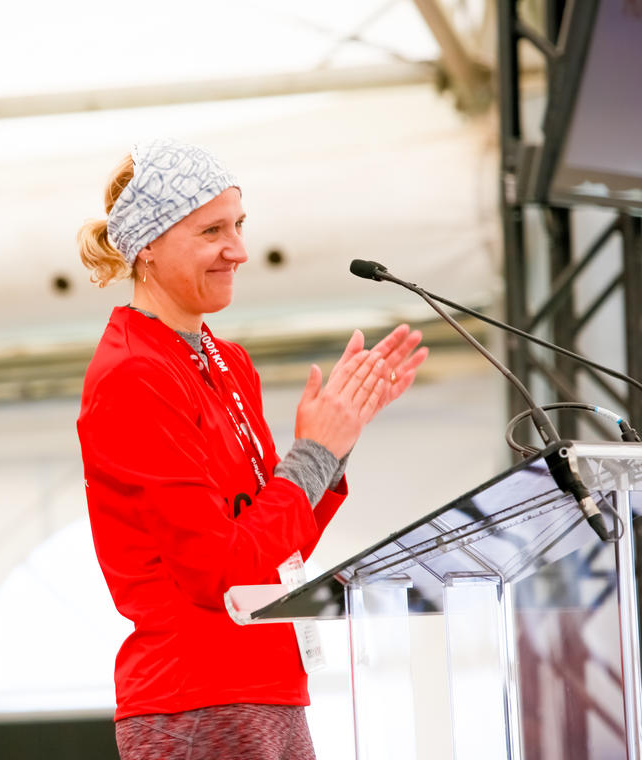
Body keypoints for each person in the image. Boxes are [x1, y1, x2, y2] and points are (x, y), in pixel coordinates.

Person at [75, 138, 427, 760]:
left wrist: (334, 444)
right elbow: (221, 573)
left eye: (238, 225)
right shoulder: (135, 374)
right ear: (148, 246)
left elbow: (271, 546)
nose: (238, 250)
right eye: (212, 230)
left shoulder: (227, 360)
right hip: (198, 700)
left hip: (267, 685)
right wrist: (314, 453)